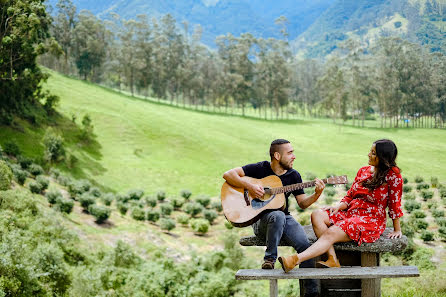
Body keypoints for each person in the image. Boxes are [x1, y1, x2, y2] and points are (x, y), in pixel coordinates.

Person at [278, 139, 403, 272]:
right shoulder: (363, 171)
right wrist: (339, 206)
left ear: (382, 157)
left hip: (370, 220)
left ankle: (295, 260)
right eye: (370, 151)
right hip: (351, 213)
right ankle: (332, 259)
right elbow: (350, 195)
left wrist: (397, 229)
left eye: (373, 153)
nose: (368, 154)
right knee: (317, 214)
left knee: (333, 230)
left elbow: (395, 204)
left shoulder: (393, 176)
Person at [223, 139, 325, 297]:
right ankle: (269, 259)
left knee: (306, 247)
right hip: (259, 220)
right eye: (290, 153)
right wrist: (250, 186)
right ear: (277, 155)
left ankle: (311, 293)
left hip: (284, 218)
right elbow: (228, 174)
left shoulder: (294, 175)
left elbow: (303, 204)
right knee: (276, 215)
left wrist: (317, 194)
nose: (294, 156)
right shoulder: (260, 168)